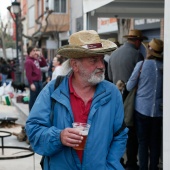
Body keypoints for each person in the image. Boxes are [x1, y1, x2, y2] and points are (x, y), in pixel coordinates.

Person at [25, 30, 128, 170]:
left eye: (101, 59)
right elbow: (33, 130)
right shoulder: (52, 90)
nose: (101, 66)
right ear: (75, 65)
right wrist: (59, 137)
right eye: (93, 60)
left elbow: (120, 135)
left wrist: (110, 166)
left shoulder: (112, 93)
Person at [108, 29, 147, 170]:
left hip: (115, 96)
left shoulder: (114, 54)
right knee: (131, 132)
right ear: (137, 41)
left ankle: (117, 160)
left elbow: (110, 77)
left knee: (116, 130)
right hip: (132, 99)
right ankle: (131, 162)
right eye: (140, 41)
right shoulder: (138, 55)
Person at [126, 38, 163, 170]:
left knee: (142, 142)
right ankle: (153, 167)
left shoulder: (141, 65)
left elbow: (129, 86)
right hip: (158, 112)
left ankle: (143, 168)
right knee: (155, 143)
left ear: (149, 51)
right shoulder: (163, 67)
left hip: (141, 110)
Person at [24, 46, 42, 111]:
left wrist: (40, 55)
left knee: (39, 99)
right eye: (33, 51)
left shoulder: (35, 59)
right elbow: (28, 74)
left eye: (35, 51)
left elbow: (44, 64)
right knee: (33, 99)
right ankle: (31, 114)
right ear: (30, 52)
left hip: (39, 81)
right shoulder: (29, 61)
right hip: (34, 82)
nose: (35, 52)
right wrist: (31, 83)